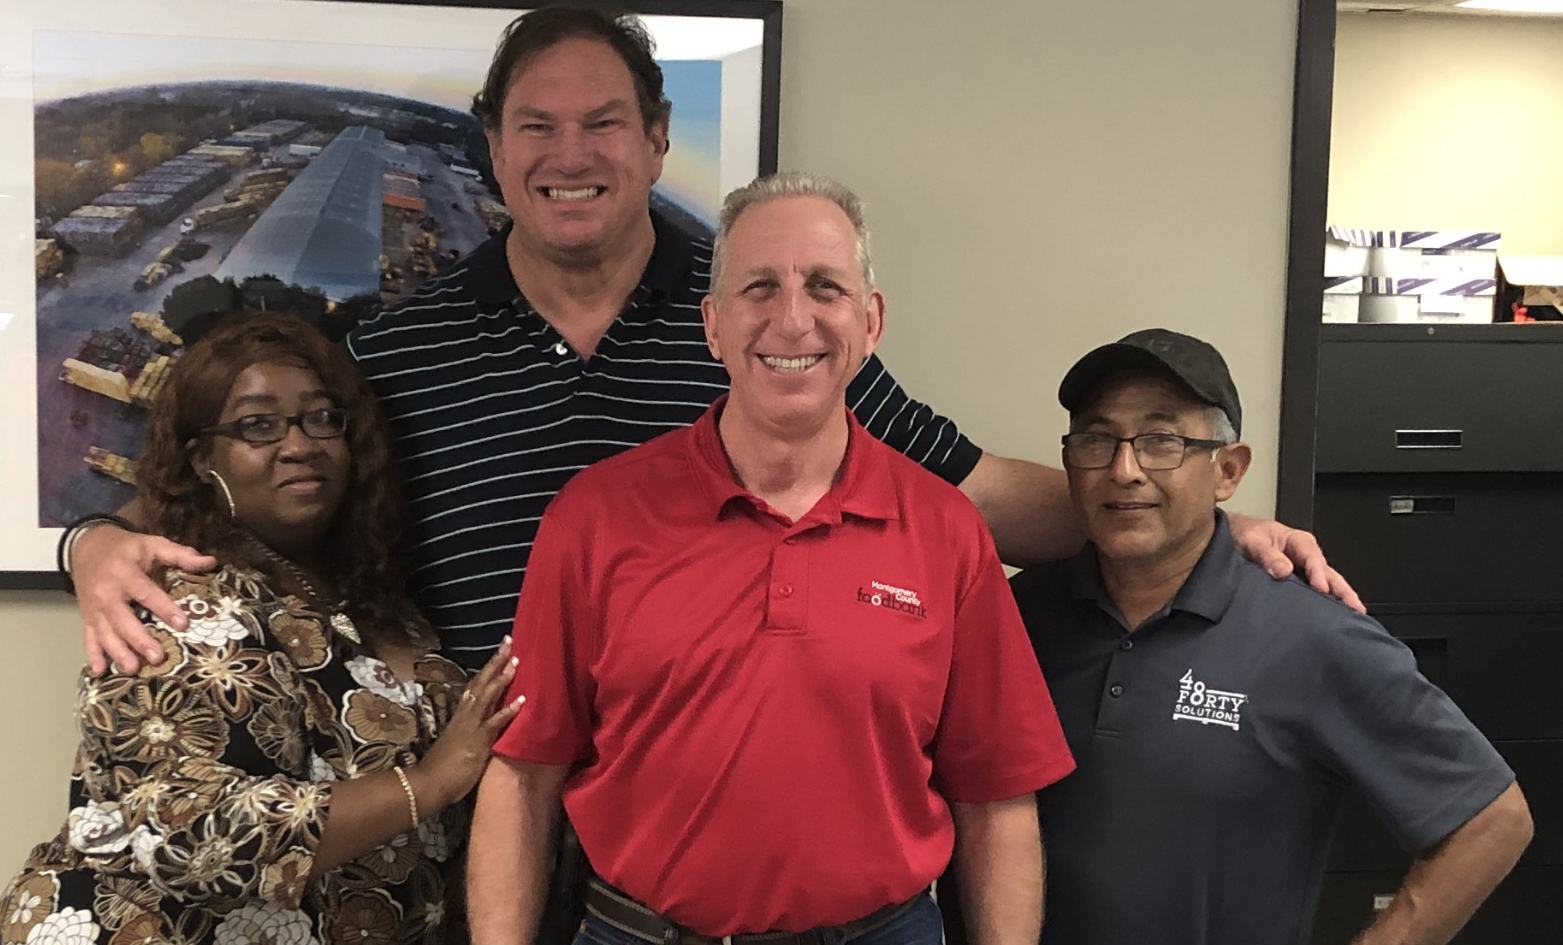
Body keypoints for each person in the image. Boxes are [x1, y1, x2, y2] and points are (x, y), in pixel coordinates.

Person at [66, 5, 1355, 681]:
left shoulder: (763, 325)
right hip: (477, 795)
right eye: (537, 125)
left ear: (656, 139)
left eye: (605, 122)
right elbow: (261, 510)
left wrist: (1179, 521)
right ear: (493, 144)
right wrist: (95, 539)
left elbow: (968, 494)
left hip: (702, 799)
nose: (571, 156)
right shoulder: (401, 342)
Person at [464, 173, 1074, 945]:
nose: (792, 320)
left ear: (870, 322)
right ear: (712, 325)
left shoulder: (942, 529)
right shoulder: (595, 517)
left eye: (823, 287)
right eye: (759, 287)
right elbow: (523, 781)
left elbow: (996, 796)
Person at [998, 329, 1533, 945]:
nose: (1123, 470)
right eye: (1096, 440)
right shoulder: (1016, 620)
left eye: (1161, 441)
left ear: (1227, 470)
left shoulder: (1311, 638)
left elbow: (1493, 819)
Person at [0, 314, 521, 945]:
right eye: (257, 425)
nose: (299, 442)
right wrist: (433, 781)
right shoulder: (171, 603)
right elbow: (192, 830)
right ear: (200, 458)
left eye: (320, 418)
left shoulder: (374, 601)